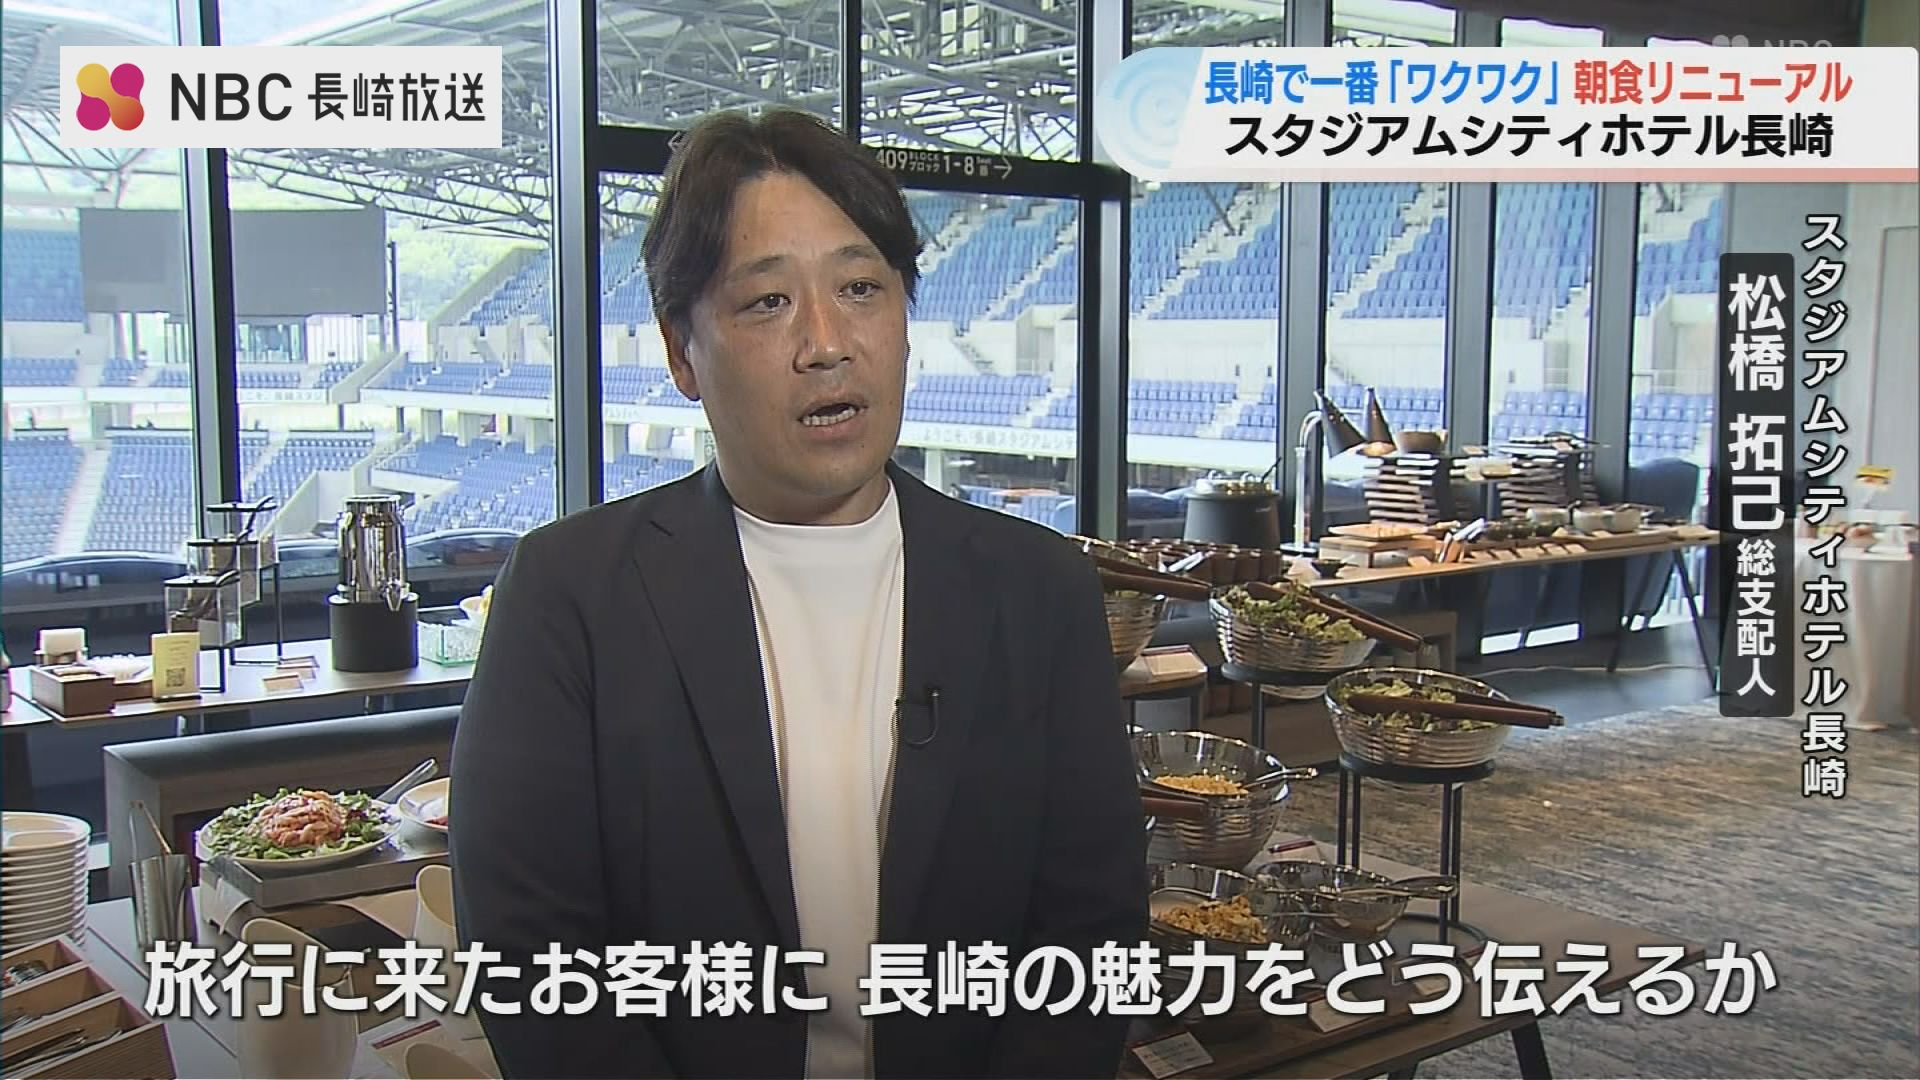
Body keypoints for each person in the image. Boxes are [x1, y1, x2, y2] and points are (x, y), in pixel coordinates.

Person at [451, 107, 1147, 1080]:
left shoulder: (1041, 592)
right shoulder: (568, 595)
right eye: (768, 302)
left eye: (861, 288)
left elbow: (1091, 937)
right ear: (682, 352)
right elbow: (531, 960)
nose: (827, 343)